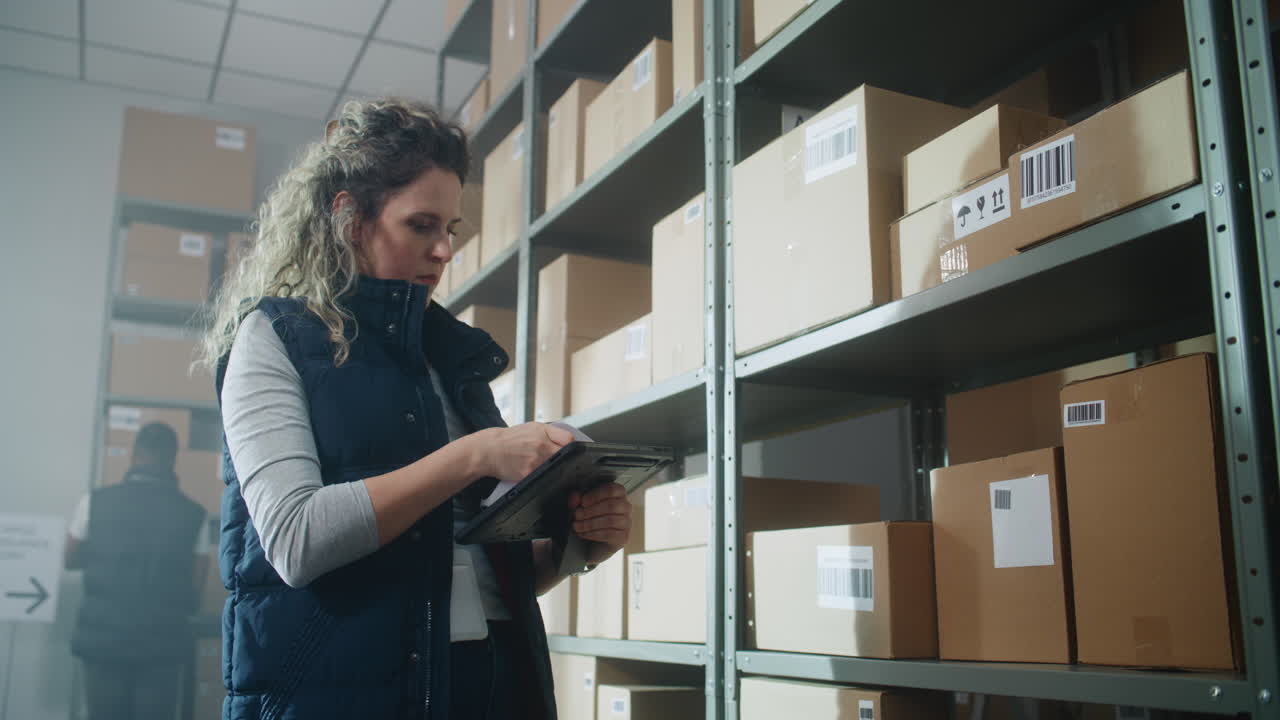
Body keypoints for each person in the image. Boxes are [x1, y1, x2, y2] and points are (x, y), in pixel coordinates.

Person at [197, 98, 633, 720]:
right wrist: (474, 456)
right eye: (421, 225)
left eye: (450, 229)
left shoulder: (451, 358)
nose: (444, 251)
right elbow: (296, 539)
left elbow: (474, 576)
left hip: (494, 687)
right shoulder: (274, 338)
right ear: (350, 219)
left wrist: (578, 547)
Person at [65, 421, 211, 720]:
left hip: (103, 639)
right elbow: (196, 586)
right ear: (172, 459)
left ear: (134, 455)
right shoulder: (195, 514)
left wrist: (106, 556)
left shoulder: (95, 502)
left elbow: (70, 558)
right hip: (162, 643)